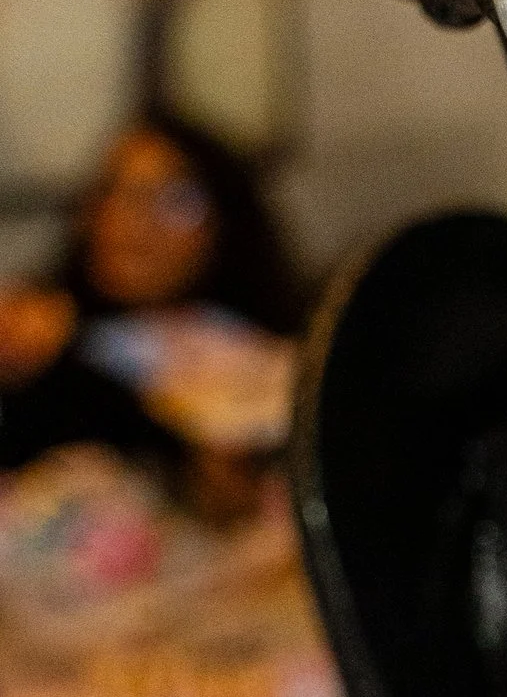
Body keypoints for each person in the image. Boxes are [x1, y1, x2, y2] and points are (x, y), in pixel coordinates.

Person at [0, 111, 302, 473]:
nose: (134, 224)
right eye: (117, 193)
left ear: (227, 219)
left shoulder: (266, 358)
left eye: (173, 200)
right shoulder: (36, 337)